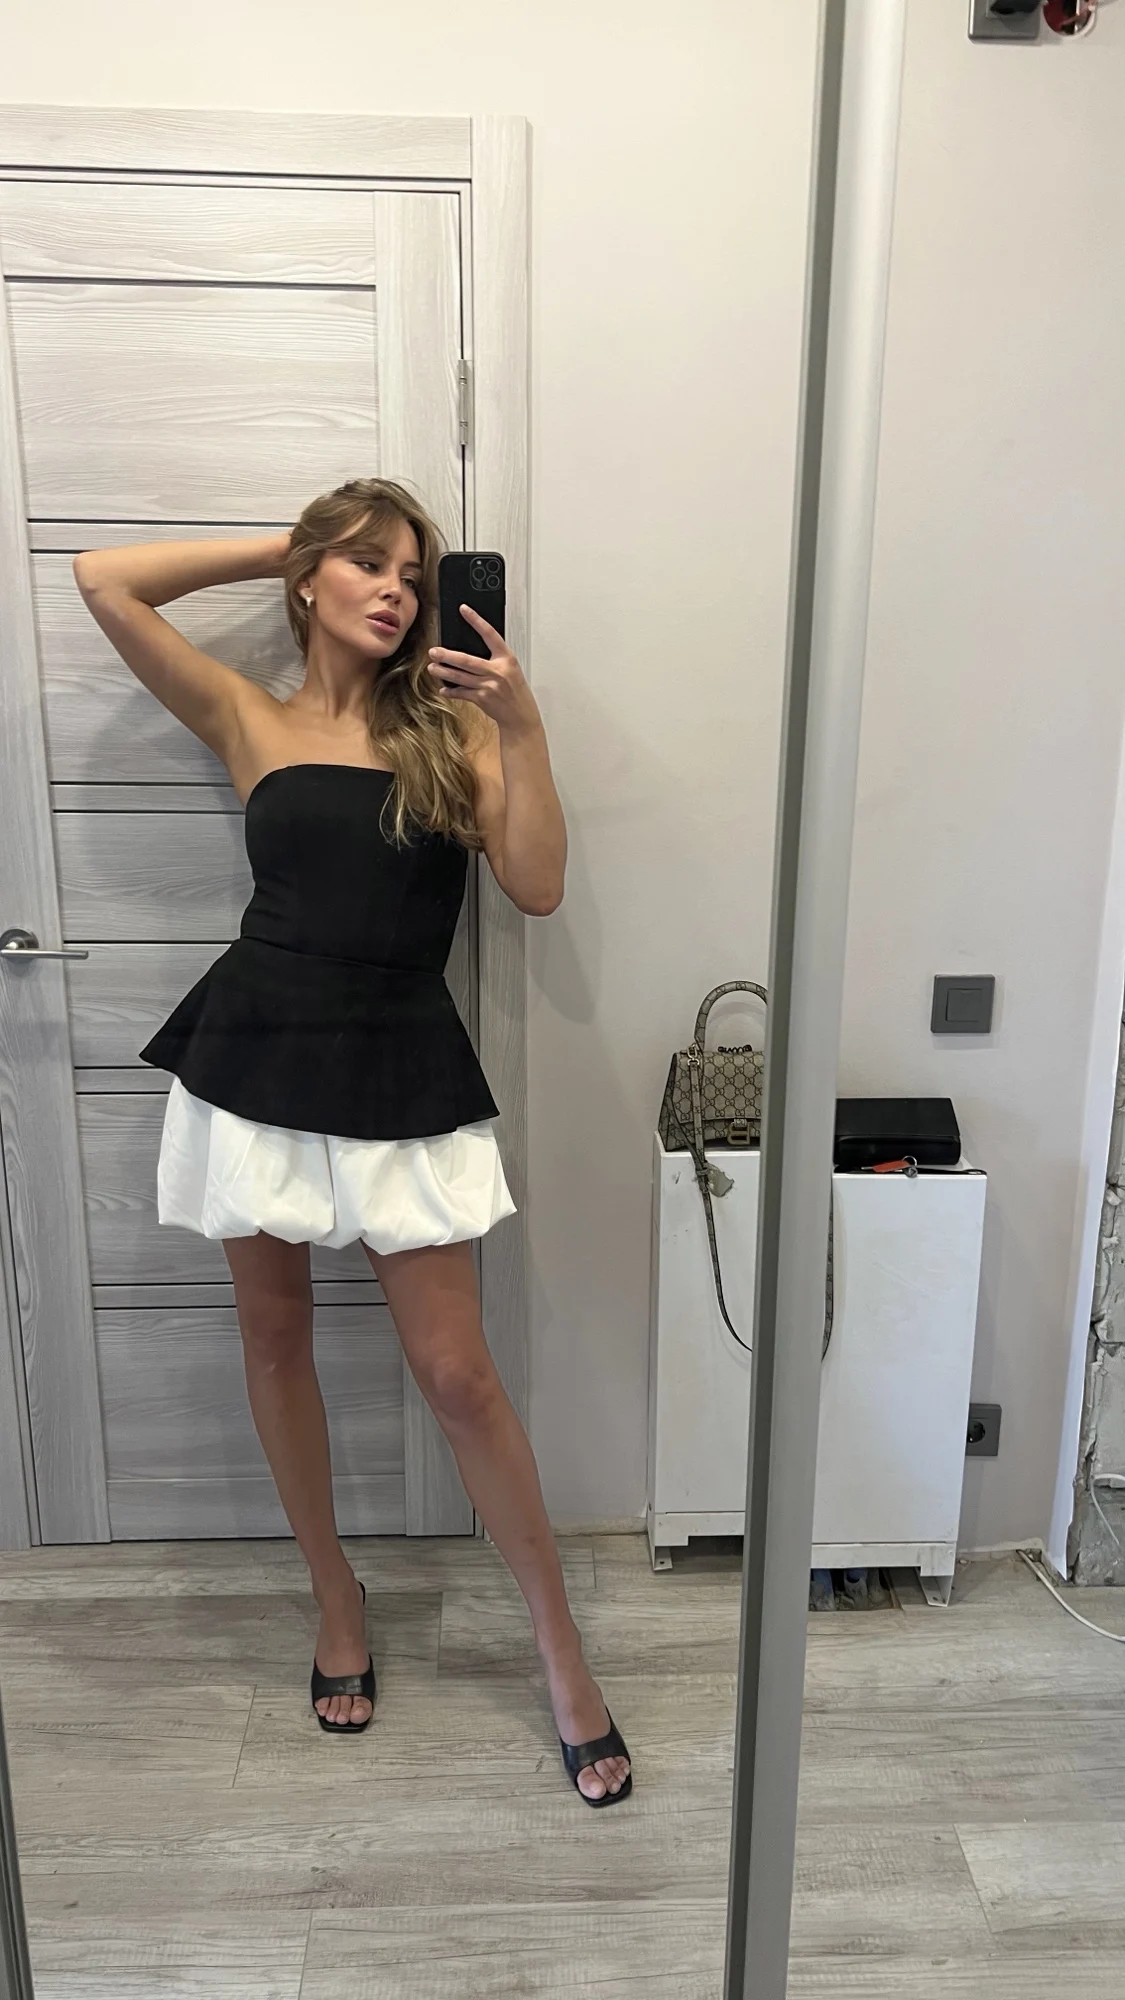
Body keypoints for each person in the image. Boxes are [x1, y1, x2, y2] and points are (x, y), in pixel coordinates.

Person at [72, 478, 632, 1806]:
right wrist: (298, 539)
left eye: (412, 573)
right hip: (254, 1051)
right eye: (367, 564)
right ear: (311, 578)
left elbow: (538, 885)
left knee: (458, 1375)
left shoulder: (450, 729)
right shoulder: (248, 715)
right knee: (275, 1341)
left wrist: (525, 726)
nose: (395, 589)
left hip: (397, 1053)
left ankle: (560, 1647)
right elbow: (104, 580)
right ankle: (336, 1597)